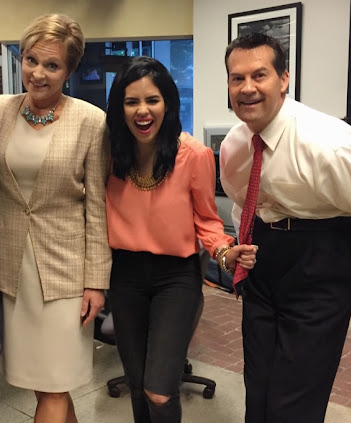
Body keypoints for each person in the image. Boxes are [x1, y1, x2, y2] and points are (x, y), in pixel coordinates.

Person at [220, 32, 351, 423]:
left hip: (321, 263)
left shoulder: (329, 144)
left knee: (293, 403)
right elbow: (245, 201)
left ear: (284, 79)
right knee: (258, 388)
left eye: (259, 75)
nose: (247, 88)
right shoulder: (236, 144)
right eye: (236, 78)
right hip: (266, 262)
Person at [105, 56, 257, 423]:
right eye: (131, 101)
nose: (142, 111)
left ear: (168, 104)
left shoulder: (193, 155)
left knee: (159, 391)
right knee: (139, 385)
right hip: (124, 275)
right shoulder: (110, 155)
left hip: (175, 278)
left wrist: (224, 251)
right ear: (120, 109)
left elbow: (207, 220)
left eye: (152, 100)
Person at [0, 14, 110, 423]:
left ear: (69, 70)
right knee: (47, 384)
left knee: (55, 384)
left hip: (66, 274)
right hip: (12, 269)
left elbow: (97, 208)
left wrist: (96, 282)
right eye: (31, 60)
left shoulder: (91, 121)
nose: (38, 73)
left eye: (52, 65)